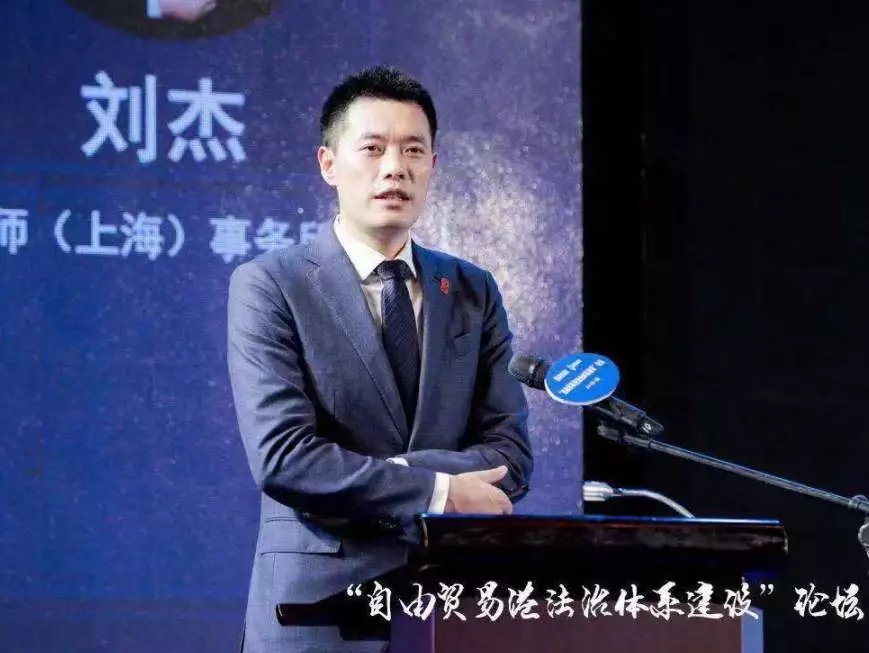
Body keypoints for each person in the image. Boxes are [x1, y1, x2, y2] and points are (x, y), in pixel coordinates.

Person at [226, 65, 534, 653]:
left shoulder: (472, 290)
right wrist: (438, 491)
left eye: (413, 150)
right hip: (317, 611)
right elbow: (285, 457)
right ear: (328, 164)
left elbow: (510, 455)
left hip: (449, 607)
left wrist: (389, 473)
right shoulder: (272, 284)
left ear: (433, 166)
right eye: (372, 148)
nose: (395, 167)